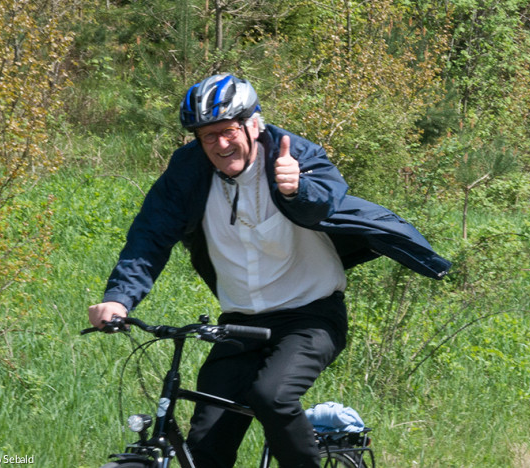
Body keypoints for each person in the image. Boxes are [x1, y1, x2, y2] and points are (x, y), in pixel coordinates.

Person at [86, 74, 451, 468]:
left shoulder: (294, 156)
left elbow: (328, 200)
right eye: (207, 137)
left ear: (254, 124)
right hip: (237, 323)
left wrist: (297, 190)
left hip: (310, 317)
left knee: (272, 396)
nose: (220, 145)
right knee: (206, 440)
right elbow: (150, 235)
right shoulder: (188, 172)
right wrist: (118, 298)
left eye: (228, 131)